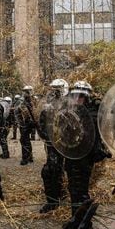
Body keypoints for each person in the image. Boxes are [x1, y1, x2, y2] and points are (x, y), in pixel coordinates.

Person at [63, 81, 110, 229]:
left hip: (84, 156)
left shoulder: (93, 113)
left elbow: (89, 131)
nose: (77, 99)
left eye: (81, 96)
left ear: (88, 97)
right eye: (75, 96)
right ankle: (76, 219)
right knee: (73, 188)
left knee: (80, 189)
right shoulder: (73, 110)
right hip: (72, 155)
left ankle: (84, 223)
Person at [39, 78, 68, 213]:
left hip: (63, 145)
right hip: (51, 145)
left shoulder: (68, 106)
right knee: (52, 170)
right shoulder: (48, 107)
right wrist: (44, 134)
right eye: (53, 89)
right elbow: (42, 125)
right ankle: (56, 197)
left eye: (58, 89)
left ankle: (54, 199)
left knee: (54, 170)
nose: (55, 92)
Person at [15, 85, 36, 165]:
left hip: (26, 123)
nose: (25, 93)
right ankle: (30, 157)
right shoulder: (33, 100)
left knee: (24, 140)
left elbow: (25, 114)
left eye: (26, 91)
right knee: (26, 140)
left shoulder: (26, 101)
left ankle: (25, 158)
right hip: (29, 123)